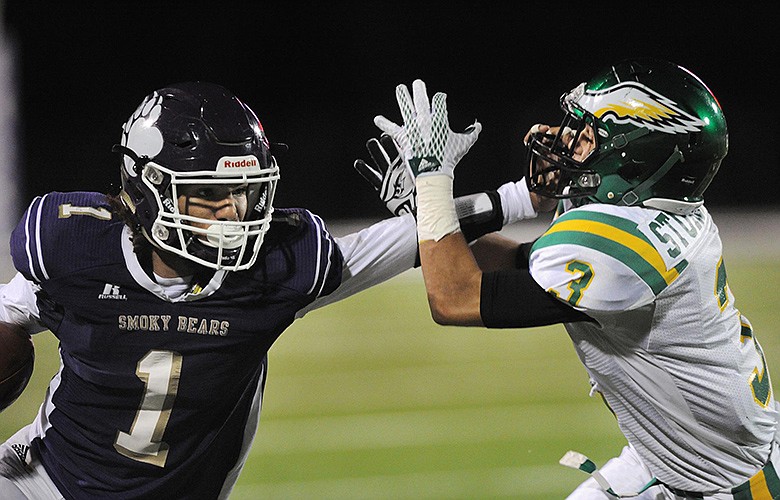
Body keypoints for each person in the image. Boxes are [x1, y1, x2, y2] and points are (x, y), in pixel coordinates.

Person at [0, 81, 545, 499]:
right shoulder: (74, 248)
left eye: (240, 193)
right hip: (42, 483)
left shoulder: (277, 268)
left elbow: (401, 239)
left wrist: (524, 197)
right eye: (208, 196)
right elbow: (12, 313)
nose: (233, 215)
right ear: (147, 192)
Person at [374, 60, 780, 498]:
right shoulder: (650, 216)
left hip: (725, 485)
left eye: (589, 136)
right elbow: (512, 264)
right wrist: (426, 220)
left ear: (636, 159)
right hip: (679, 455)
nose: (565, 141)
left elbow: (454, 297)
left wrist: (432, 182)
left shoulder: (626, 245)